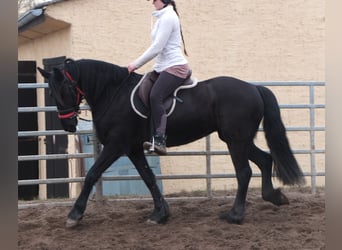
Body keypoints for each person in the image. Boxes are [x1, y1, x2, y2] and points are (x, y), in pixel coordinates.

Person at [128, 0, 191, 155]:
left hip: (176, 67)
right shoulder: (161, 18)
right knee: (144, 88)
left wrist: (135, 64)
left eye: (153, 0)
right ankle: (146, 135)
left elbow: (157, 47)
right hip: (162, 67)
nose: (151, 2)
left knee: (156, 96)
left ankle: (160, 140)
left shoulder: (168, 17)